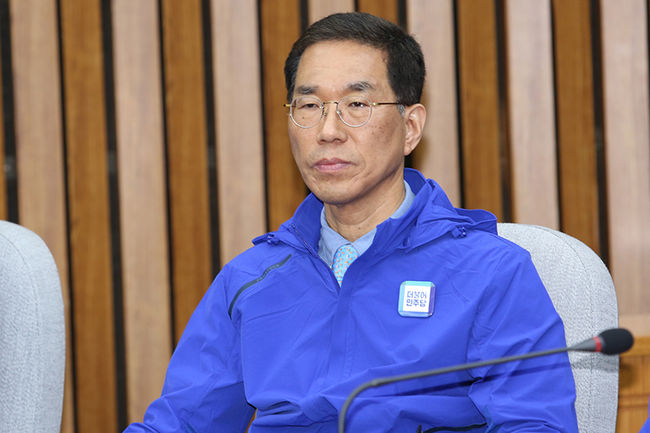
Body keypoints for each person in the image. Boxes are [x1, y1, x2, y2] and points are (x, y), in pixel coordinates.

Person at [124, 12, 578, 433]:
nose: (328, 131)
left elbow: (535, 424)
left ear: (411, 127)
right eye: (309, 106)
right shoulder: (251, 278)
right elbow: (178, 423)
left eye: (357, 104)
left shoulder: (489, 272)